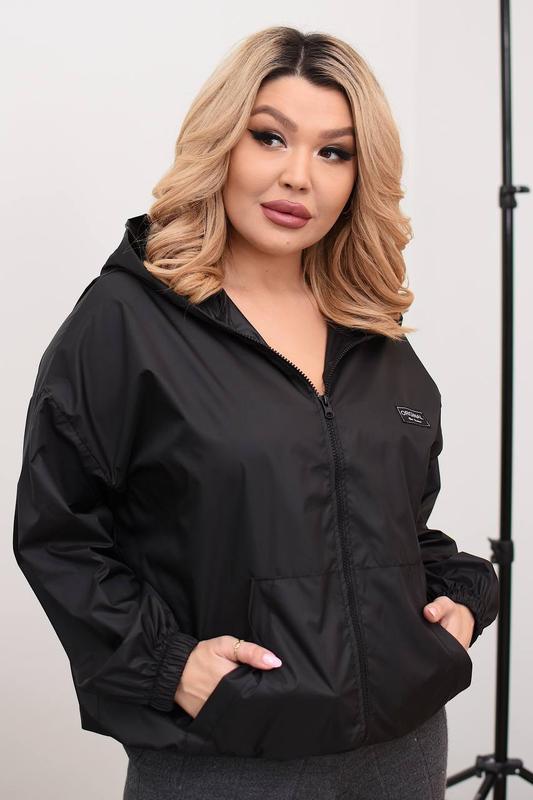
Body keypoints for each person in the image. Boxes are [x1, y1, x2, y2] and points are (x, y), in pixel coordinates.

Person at [13, 25, 499, 800]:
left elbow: (383, 531)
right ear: (222, 142)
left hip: (401, 754)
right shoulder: (128, 321)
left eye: (333, 152)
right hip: (226, 758)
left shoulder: (373, 336)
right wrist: (168, 666)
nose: (297, 176)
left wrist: (465, 597)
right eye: (269, 137)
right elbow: (60, 533)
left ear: (359, 175)